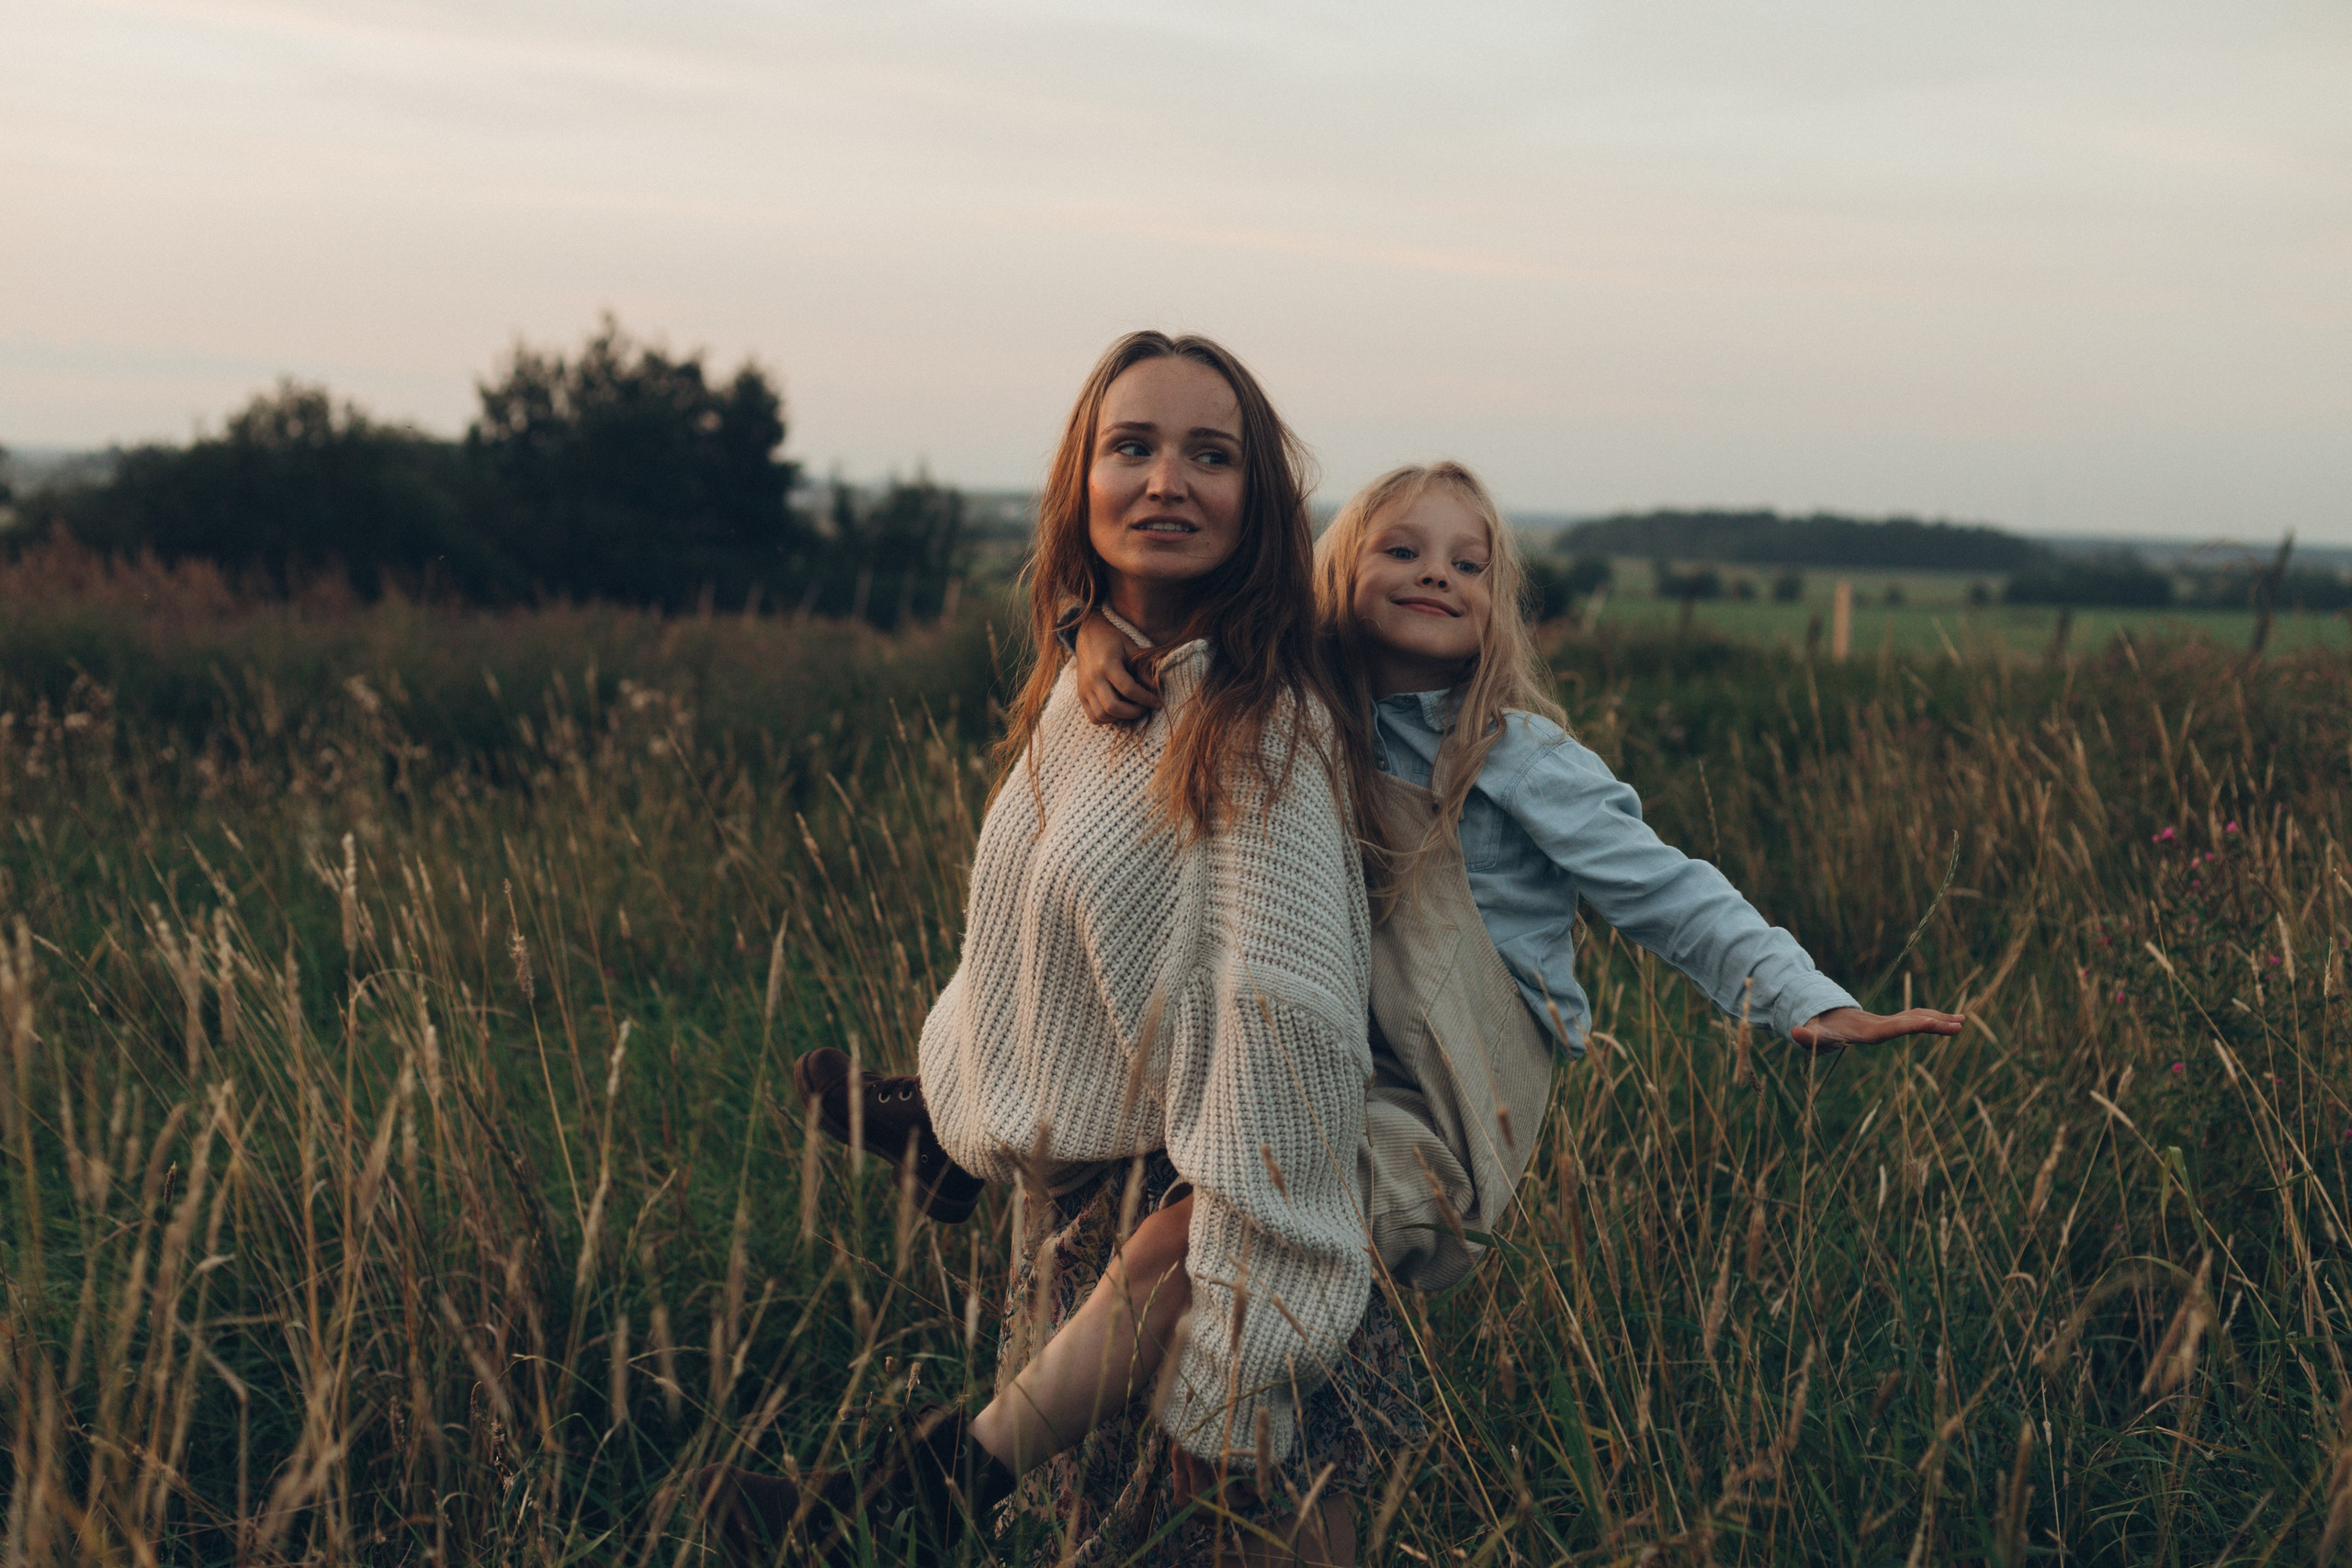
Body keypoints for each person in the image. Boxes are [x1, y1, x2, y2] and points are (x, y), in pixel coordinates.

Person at [789, 460, 1969, 1541]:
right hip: (1307, 1057)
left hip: (1439, 1102)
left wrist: (1803, 999)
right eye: (1404, 550)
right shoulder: (1295, 709)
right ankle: (966, 1127)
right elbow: (1165, 635)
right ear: (1337, 574)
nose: (1438, 577)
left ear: (1498, 602)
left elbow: (1670, 891)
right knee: (1124, 860)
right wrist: (1085, 628)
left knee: (1192, 1246)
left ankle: (937, 1482)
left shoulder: (1515, 756)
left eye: (1470, 563)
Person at [702, 333, 1408, 1568]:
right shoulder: (1095, 691)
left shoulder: (1261, 724)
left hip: (1214, 1247)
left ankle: (896, 1492)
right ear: (1081, 481)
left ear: (1259, 504)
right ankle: (937, 1143)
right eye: (1130, 446)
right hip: (1080, 1232)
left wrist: (1237, 1349)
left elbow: (1286, 1038)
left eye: (1211, 455)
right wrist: (1083, 624)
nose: (1167, 480)